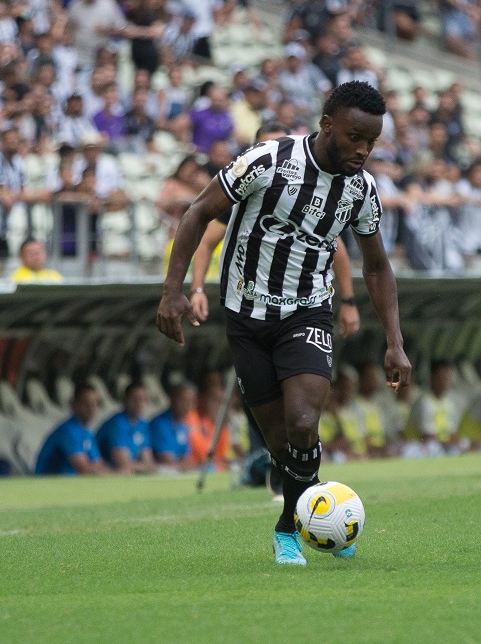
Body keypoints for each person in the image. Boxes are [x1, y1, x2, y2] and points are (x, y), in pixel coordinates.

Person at [157, 81, 411, 566]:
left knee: (303, 422)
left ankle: (288, 530)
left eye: (372, 142)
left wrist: (394, 341)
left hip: (308, 311)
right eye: (355, 137)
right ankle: (323, 517)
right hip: (246, 316)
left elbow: (377, 266)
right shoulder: (267, 162)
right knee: (281, 444)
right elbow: (198, 213)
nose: (363, 150)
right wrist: (174, 290)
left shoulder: (360, 189)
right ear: (327, 124)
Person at [188, 121, 361, 339]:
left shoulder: (308, 197)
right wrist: (197, 289)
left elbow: (335, 247)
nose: (274, 154)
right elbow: (205, 243)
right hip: (249, 305)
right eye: (266, 146)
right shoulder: (239, 198)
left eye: (280, 146)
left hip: (301, 307)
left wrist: (348, 301)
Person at [35, 383, 111, 475]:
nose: (91, 408)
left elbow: (98, 464)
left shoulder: (87, 432)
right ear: (74, 404)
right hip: (48, 483)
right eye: (86, 403)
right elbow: (85, 469)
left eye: (95, 403)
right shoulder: (68, 431)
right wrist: (117, 474)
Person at [94, 382, 156, 474]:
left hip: (125, 474)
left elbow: (148, 461)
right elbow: (123, 464)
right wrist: (146, 467)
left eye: (143, 399)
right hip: (107, 476)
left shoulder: (142, 425)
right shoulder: (117, 423)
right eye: (134, 398)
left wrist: (147, 467)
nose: (139, 403)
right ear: (125, 400)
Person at [149, 380, 196, 471]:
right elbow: (165, 459)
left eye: (191, 401)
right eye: (183, 400)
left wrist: (184, 465)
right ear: (172, 398)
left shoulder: (182, 426)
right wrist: (183, 466)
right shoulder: (159, 423)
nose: (187, 405)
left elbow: (186, 458)